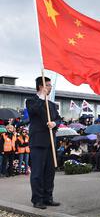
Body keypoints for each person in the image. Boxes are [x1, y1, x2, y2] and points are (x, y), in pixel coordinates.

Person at [26, 76, 62, 209]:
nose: (50, 87)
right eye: (48, 85)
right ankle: (37, 199)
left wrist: (54, 123)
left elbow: (58, 119)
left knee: (49, 172)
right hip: (37, 142)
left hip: (50, 142)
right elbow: (33, 111)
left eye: (50, 85)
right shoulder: (31, 101)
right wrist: (41, 96)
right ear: (41, 86)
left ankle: (48, 197)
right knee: (37, 172)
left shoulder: (52, 104)